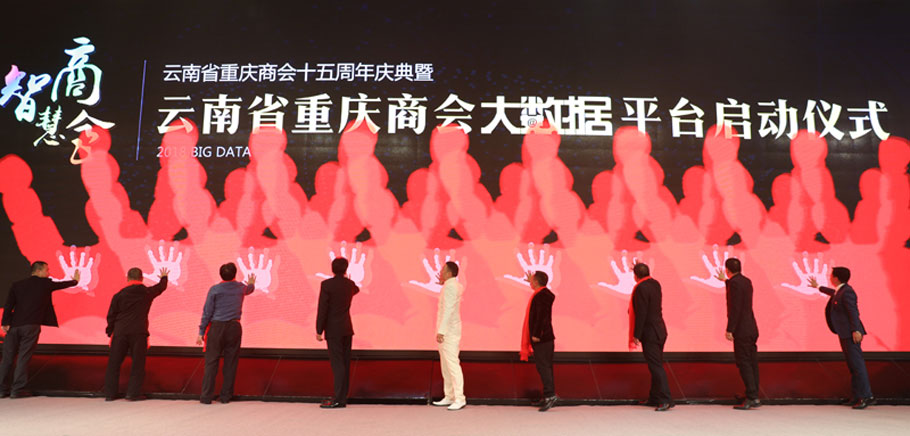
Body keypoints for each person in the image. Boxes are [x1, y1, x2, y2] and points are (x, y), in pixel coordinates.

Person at [0, 261, 79, 398]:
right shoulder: (45, 284)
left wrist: (5, 322)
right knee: (23, 357)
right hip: (31, 326)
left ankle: (1, 390)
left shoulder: (17, 285)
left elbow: (8, 305)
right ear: (38, 270)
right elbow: (61, 284)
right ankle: (17, 389)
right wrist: (75, 281)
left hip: (14, 326)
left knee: (7, 358)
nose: (48, 273)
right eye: (46, 270)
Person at [809, 267, 874, 409]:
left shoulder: (847, 292)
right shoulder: (841, 291)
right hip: (845, 333)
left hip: (851, 333)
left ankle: (866, 396)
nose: (830, 277)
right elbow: (833, 293)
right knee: (853, 366)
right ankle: (856, 396)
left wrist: (856, 330)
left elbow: (853, 312)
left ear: (836, 278)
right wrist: (818, 286)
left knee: (857, 365)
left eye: (831, 275)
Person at [103, 267, 169, 401]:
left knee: (114, 364)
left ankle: (110, 394)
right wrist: (164, 278)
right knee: (137, 364)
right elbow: (160, 288)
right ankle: (133, 393)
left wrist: (110, 332)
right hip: (139, 332)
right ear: (142, 278)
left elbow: (111, 316)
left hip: (120, 332)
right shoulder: (146, 292)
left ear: (127, 278)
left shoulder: (119, 295)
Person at [196, 262, 255, 404]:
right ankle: (225, 396)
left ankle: (206, 397)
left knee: (211, 362)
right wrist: (252, 283)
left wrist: (201, 331)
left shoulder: (215, 289)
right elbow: (249, 289)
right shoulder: (241, 287)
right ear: (235, 274)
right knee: (231, 363)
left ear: (220, 274)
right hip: (234, 327)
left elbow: (207, 312)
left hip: (216, 328)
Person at [716, 257, 760, 410]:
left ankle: (752, 397)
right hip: (751, 327)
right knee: (752, 362)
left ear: (727, 270)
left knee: (744, 363)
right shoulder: (746, 281)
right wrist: (726, 281)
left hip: (742, 329)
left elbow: (735, 308)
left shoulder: (734, 284)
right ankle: (753, 394)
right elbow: (739, 292)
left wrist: (730, 329)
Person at [316, 257, 359, 409]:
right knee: (345, 363)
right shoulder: (349, 285)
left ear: (332, 269)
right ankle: (342, 397)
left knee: (337, 364)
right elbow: (356, 289)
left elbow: (322, 308)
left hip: (333, 330)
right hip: (347, 328)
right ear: (346, 269)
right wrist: (348, 280)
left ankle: (339, 399)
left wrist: (319, 330)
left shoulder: (326, 285)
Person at [629, 263, 673, 411]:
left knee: (656, 367)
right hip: (660, 330)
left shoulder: (641, 288)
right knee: (656, 364)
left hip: (650, 333)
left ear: (635, 276)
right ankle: (654, 398)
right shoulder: (655, 284)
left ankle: (665, 399)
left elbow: (641, 312)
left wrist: (636, 334)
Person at [520, 270, 557, 412]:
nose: (530, 282)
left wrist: (536, 334)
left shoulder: (542, 296)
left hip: (542, 338)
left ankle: (550, 396)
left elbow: (542, 316)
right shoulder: (541, 294)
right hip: (544, 338)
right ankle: (548, 395)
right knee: (544, 367)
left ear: (536, 282)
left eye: (532, 280)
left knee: (544, 367)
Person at [431, 261, 466, 411]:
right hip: (448, 330)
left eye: (443, 270)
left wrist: (442, 330)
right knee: (445, 364)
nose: (441, 272)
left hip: (449, 331)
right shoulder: (452, 285)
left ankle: (459, 398)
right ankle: (450, 395)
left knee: (452, 364)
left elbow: (449, 310)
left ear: (449, 273)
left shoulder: (451, 287)